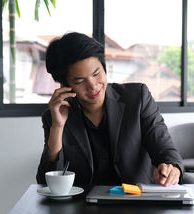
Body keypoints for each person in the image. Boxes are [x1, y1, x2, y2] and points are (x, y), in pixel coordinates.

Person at [36, 32, 183, 188]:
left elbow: (164, 148)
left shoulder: (137, 98)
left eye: (96, 73)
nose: (93, 86)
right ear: (65, 85)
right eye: (80, 81)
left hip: (137, 202)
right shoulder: (56, 116)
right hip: (84, 207)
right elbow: (45, 183)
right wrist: (57, 128)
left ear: (104, 67)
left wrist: (170, 167)